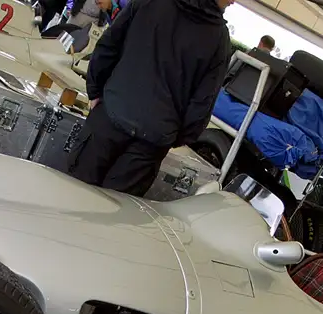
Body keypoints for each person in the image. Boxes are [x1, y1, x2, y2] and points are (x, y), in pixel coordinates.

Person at [67, 0, 232, 196]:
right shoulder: (219, 38)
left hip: (111, 114)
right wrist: (174, 137)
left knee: (73, 195)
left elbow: (109, 45)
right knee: (114, 210)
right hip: (151, 142)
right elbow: (203, 102)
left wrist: (95, 91)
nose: (234, 1)